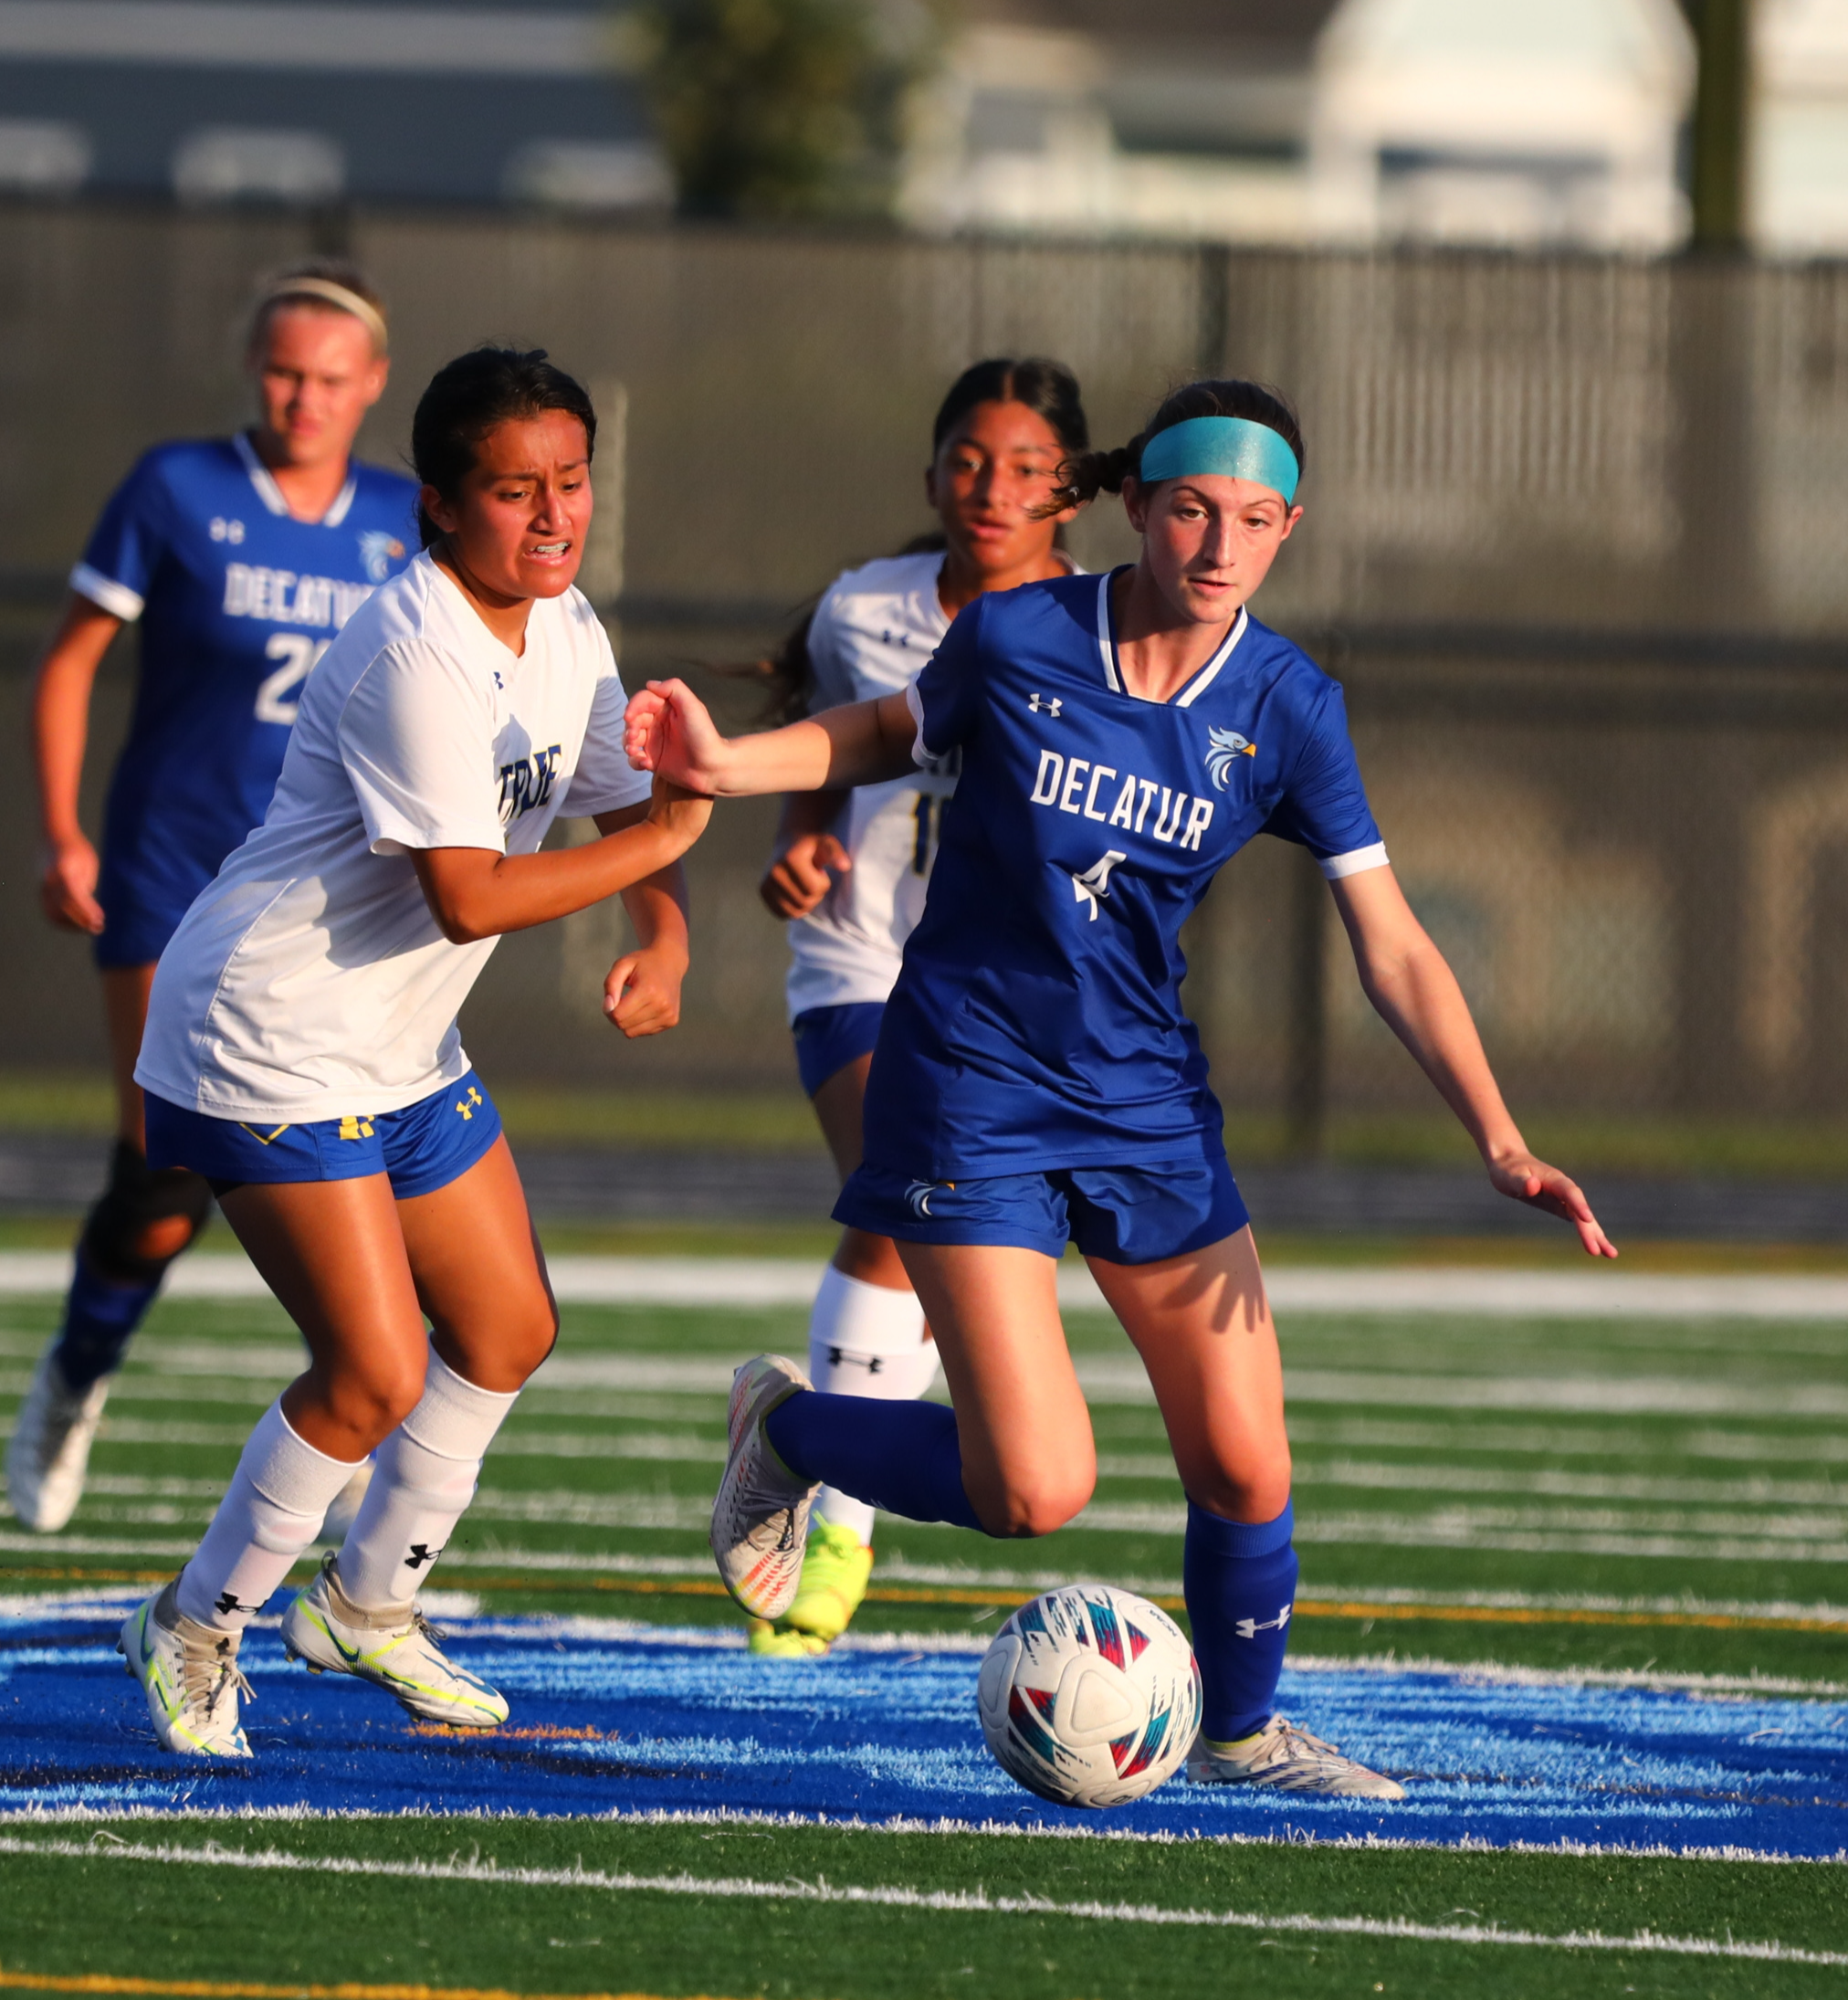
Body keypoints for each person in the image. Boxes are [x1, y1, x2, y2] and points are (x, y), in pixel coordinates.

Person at [626, 379, 1615, 1799]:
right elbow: (882, 733)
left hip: (1146, 1100)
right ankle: (782, 1426)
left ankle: (1242, 1735)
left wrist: (1502, 1136)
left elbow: (1391, 938)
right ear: (1139, 508)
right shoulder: (1021, 630)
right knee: (1032, 1491)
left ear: (1290, 529)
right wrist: (726, 767)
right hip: (970, 1079)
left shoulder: (1288, 704)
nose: (1223, 547)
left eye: (1258, 521)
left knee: (1245, 1464)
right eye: (1195, 511)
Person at [118, 346, 708, 1758]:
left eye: (570, 482)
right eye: (515, 491)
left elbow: (634, 807)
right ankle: (196, 1624)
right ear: (438, 509)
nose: (554, 514)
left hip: (397, 1041)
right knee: (373, 1374)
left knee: (507, 1330)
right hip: (266, 1038)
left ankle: (368, 1606)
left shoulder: (565, 631)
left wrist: (668, 930)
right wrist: (670, 839)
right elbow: (470, 892)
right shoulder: (411, 647)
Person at [6, 260, 422, 1537]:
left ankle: (356, 1397)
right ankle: (79, 1369)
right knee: (167, 1171)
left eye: (330, 379)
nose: (304, 398)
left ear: (374, 387)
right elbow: (73, 663)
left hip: (332, 895)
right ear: (257, 371)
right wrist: (64, 832)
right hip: (175, 869)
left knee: (369, 1159)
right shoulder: (177, 488)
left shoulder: (410, 517)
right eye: (285, 373)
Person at [747, 359, 1090, 1659]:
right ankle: (834, 1526)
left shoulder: (1105, 626)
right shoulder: (866, 608)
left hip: (1017, 994)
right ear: (930, 470)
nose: (987, 487)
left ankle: (800, 1446)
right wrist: (802, 844)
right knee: (909, 1211)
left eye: (1020, 466)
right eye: (965, 458)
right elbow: (826, 754)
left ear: (1071, 487)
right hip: (868, 967)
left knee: (968, 1256)